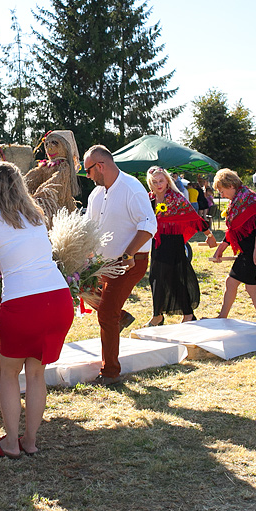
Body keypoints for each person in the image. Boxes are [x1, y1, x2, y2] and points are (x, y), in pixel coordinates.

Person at [0, 162, 73, 458]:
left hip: (22, 302)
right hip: (57, 298)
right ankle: (30, 441)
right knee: (36, 375)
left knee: (8, 374)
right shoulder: (35, 216)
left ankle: (11, 444)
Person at [83, 145, 157, 385]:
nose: (87, 176)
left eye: (88, 171)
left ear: (100, 166)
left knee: (105, 312)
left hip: (128, 264)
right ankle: (120, 317)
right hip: (103, 264)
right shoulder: (95, 195)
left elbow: (148, 225)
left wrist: (128, 254)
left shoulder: (132, 188)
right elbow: (89, 230)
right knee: (82, 290)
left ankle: (110, 372)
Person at [146, 166, 203, 326]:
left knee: (172, 277)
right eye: (155, 182)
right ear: (150, 183)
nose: (159, 184)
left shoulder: (175, 198)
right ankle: (160, 314)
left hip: (173, 242)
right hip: (158, 242)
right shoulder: (149, 198)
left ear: (167, 181)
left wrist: (209, 234)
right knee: (155, 277)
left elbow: (192, 215)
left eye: (161, 181)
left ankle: (183, 314)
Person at [211, 168, 256, 324]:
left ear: (231, 185)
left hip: (252, 252)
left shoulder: (251, 200)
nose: (221, 195)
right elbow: (233, 231)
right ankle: (223, 317)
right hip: (246, 252)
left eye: (222, 191)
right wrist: (220, 249)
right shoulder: (236, 202)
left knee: (252, 288)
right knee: (234, 284)